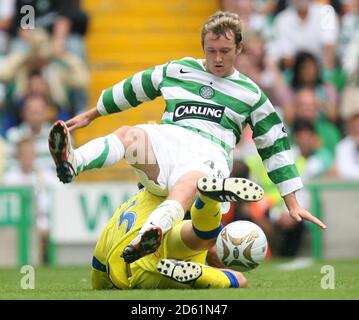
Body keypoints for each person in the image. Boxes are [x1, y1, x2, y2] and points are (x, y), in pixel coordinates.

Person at [49, 11, 326, 265]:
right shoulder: (178, 70)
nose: (218, 58)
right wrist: (93, 114)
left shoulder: (251, 94)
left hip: (208, 155)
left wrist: (291, 202)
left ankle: (152, 230)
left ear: (239, 49)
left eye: (225, 52)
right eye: (212, 50)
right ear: (203, 46)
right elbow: (136, 87)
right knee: (129, 135)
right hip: (168, 142)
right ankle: (73, 162)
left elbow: (274, 145)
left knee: (191, 182)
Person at [92, 186, 246, 289]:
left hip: (133, 269)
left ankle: (208, 201)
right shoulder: (174, 201)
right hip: (161, 247)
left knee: (198, 238)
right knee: (239, 278)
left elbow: (98, 265)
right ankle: (209, 201)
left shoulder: (134, 203)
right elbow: (212, 253)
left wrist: (106, 283)